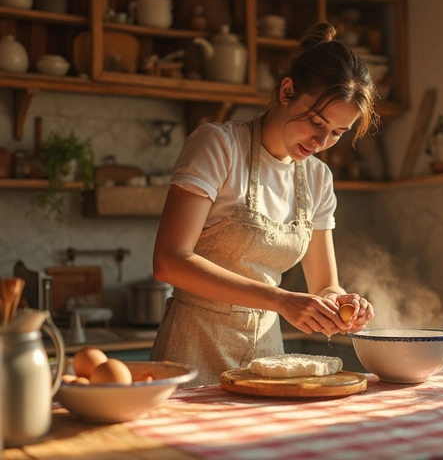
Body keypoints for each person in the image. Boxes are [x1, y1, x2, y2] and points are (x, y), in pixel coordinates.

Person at [150, 22, 379, 387]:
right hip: (191, 349)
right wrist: (281, 300)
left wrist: (342, 303)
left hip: (267, 358)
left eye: (337, 132)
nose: (321, 141)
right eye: (317, 122)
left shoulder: (318, 179)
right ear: (287, 91)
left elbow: (324, 284)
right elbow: (169, 261)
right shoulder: (219, 146)